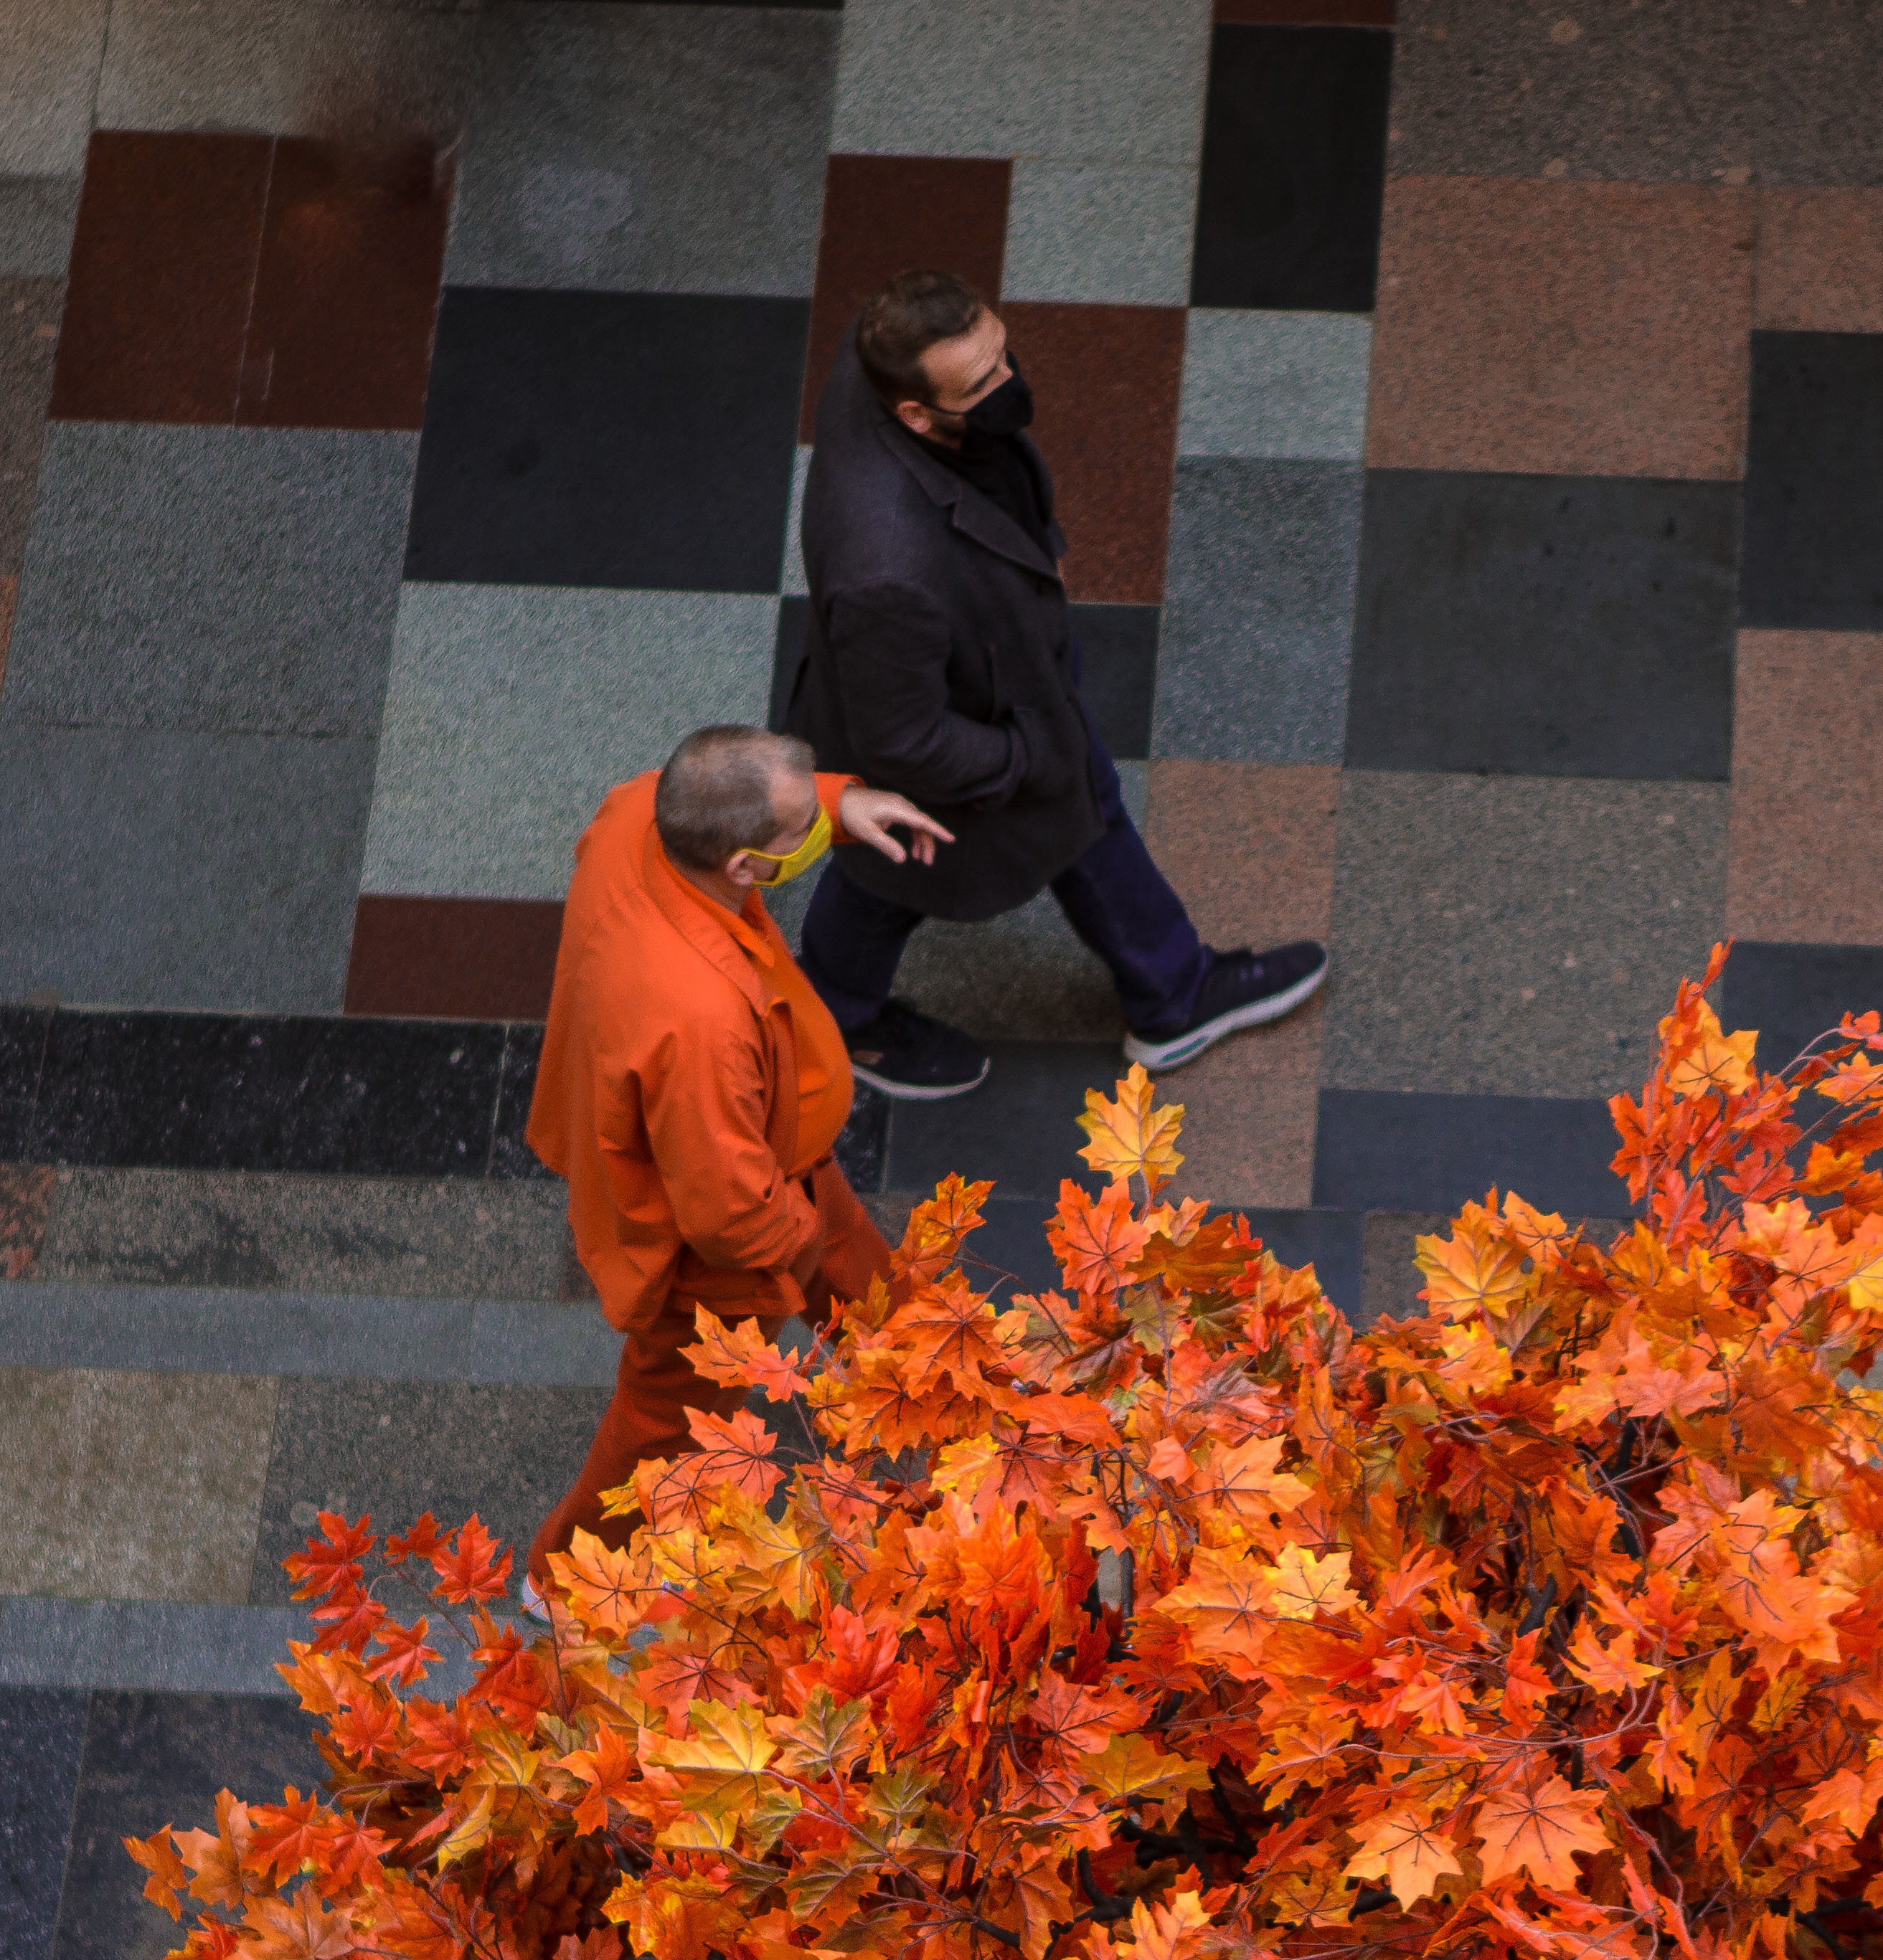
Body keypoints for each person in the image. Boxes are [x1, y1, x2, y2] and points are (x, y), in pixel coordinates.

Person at [785, 267, 1326, 1099]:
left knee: (1068, 820)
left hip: (994, 678)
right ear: (914, 413)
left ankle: (1168, 993)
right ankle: (834, 1018)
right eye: (981, 383)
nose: (1009, 384)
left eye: (1003, 354)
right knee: (893, 872)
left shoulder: (873, 360)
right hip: (960, 737)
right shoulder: (885, 569)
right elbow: (904, 737)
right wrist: (1024, 759)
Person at [523, 724, 951, 1576]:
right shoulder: (701, 1020)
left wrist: (837, 799)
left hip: (781, 1178)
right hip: (729, 1243)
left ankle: (959, 1416)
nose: (818, 839)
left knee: (884, 1305)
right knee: (666, 1418)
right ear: (747, 870)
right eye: (805, 835)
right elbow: (725, 1213)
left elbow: (719, 789)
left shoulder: (641, 813)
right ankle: (573, 1576)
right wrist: (795, 1235)